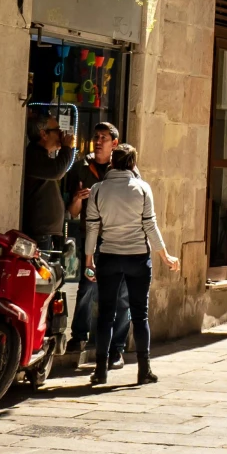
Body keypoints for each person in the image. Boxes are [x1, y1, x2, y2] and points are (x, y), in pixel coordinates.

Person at [83, 142, 179, 387]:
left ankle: (100, 370)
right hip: (137, 257)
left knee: (105, 314)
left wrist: (88, 259)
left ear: (112, 162)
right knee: (140, 314)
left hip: (109, 256)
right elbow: (150, 225)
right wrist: (165, 255)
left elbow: (92, 227)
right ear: (133, 164)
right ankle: (144, 369)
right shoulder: (143, 188)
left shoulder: (97, 189)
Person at [60, 123, 130, 374]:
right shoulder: (81, 167)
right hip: (91, 241)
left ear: (115, 142)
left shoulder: (125, 168)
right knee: (87, 288)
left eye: (104, 138)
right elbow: (71, 212)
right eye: (96, 137)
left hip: (118, 241)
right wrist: (78, 200)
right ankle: (79, 336)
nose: (98, 141)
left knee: (121, 295)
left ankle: (117, 349)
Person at [22, 110, 76, 246]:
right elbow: (57, 171)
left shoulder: (42, 155)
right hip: (38, 234)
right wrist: (67, 148)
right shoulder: (34, 155)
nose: (61, 134)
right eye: (57, 130)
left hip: (45, 234)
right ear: (43, 134)